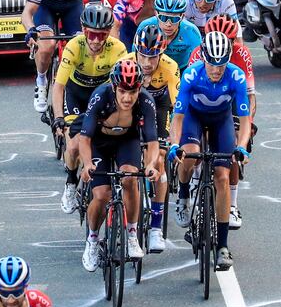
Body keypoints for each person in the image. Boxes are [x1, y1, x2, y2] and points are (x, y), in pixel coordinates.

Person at [169, 31, 252, 271]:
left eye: (221, 65)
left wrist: (241, 147)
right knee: (189, 154)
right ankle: (183, 195)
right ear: (203, 58)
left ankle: (223, 246)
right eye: (212, 64)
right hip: (193, 117)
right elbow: (177, 118)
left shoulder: (236, 76)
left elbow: (244, 120)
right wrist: (174, 145)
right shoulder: (191, 74)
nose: (216, 70)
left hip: (221, 120)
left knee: (222, 177)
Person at [78, 59, 159, 269]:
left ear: (139, 89)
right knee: (102, 194)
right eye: (122, 91)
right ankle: (92, 240)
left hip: (127, 141)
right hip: (99, 143)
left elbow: (152, 141)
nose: (127, 98)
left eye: (132, 92)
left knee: (130, 179)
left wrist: (151, 164)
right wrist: (87, 164)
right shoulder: (100, 96)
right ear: (114, 87)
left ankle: (132, 233)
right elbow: (84, 139)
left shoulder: (146, 101)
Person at [52, 3, 126, 214]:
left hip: (102, 96)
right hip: (77, 95)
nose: (95, 40)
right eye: (91, 34)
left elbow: (123, 86)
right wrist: (59, 117)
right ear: (84, 30)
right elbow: (59, 86)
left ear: (108, 33)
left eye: (101, 35)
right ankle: (70, 182)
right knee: (74, 146)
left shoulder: (118, 49)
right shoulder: (74, 46)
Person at [186, 15, 256, 230]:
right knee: (193, 145)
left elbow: (250, 96)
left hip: (230, 99)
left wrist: (247, 125)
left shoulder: (241, 54)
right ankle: (195, 179)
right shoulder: (198, 54)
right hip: (202, 101)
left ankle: (232, 204)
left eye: (230, 40)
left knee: (233, 147)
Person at [22, 0, 102, 112]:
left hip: (72, 4)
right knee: (47, 46)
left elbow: (97, 9)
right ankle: (41, 80)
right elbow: (27, 12)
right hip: (46, 5)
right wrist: (31, 30)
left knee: (81, 44)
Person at [124, 23, 180, 251]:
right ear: (135, 51)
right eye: (143, 56)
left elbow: (178, 107)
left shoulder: (170, 67)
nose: (147, 63)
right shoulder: (124, 63)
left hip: (159, 108)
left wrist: (175, 139)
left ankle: (156, 227)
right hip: (131, 108)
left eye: (153, 57)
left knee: (159, 161)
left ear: (161, 54)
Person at [134, 0, 202, 72]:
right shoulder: (145, 26)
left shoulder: (191, 31)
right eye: (163, 18)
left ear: (182, 17)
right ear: (156, 14)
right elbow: (135, 54)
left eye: (174, 19)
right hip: (152, 68)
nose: (168, 24)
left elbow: (199, 62)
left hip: (181, 69)